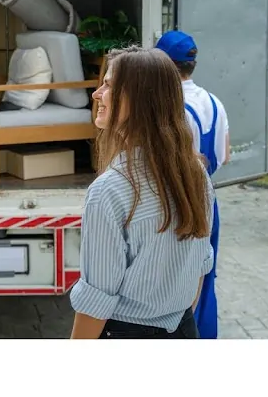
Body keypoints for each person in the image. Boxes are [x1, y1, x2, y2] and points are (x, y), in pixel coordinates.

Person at [68, 46, 215, 339]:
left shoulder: (109, 191)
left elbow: (96, 301)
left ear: (137, 100)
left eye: (108, 85)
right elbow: (200, 266)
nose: (97, 94)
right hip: (183, 329)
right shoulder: (196, 174)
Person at [155, 30, 230, 340]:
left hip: (175, 202)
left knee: (173, 286)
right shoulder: (215, 103)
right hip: (207, 199)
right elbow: (224, 155)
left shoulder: (167, 107)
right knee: (205, 276)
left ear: (164, 66)